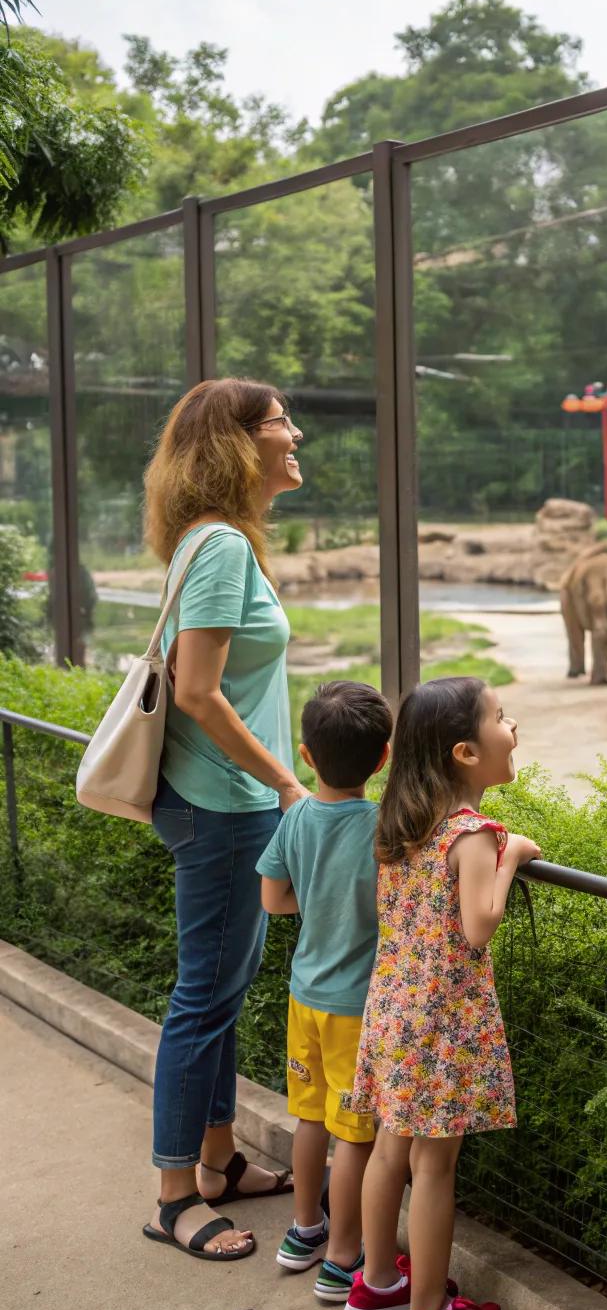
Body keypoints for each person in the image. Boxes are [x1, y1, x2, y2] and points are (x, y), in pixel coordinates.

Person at [141, 379, 308, 1262]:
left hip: (227, 804)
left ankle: (216, 1163)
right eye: (281, 421)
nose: (296, 433)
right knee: (201, 999)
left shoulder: (224, 544)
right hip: (223, 808)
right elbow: (198, 689)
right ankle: (173, 1196)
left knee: (221, 994)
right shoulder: (220, 550)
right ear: (238, 443)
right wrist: (287, 783)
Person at [343, 676, 541, 1310]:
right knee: (433, 1167)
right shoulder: (472, 833)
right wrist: (511, 851)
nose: (512, 729)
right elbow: (480, 924)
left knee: (390, 1148)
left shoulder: (404, 824)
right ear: (464, 751)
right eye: (500, 718)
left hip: (393, 1009)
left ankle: (375, 1283)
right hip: (441, 1026)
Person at [258, 680, 393, 1301]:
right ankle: (343, 1259)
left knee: (310, 1117)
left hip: (304, 996)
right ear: (384, 757)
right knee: (355, 1133)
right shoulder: (384, 830)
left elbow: (274, 900)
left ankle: (304, 1229)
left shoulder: (297, 818)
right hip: (356, 1009)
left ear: (306, 756)